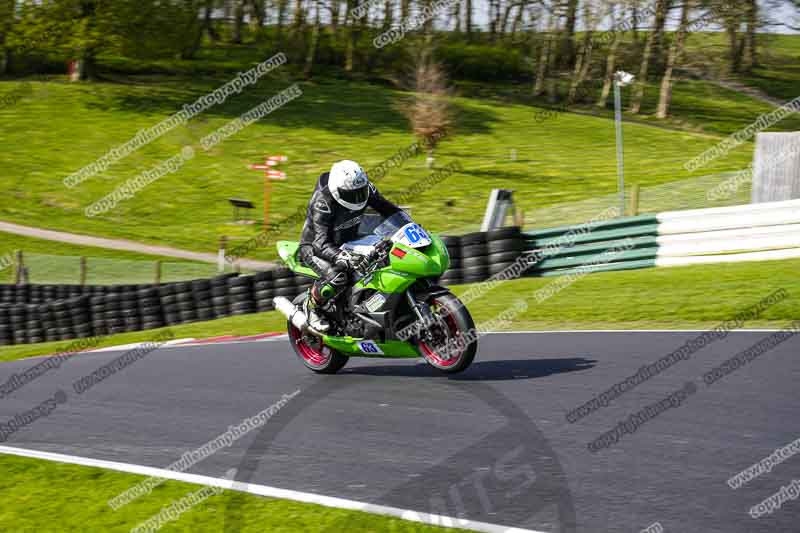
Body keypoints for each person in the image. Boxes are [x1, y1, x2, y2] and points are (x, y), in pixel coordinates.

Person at [298, 160, 401, 331]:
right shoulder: (322, 201)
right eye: (352, 194)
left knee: (385, 254)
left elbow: (389, 209)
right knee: (337, 276)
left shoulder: (365, 188)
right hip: (315, 247)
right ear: (337, 191)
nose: (358, 198)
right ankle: (311, 307)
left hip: (350, 239)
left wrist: (408, 226)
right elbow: (320, 242)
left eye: (360, 192)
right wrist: (339, 256)